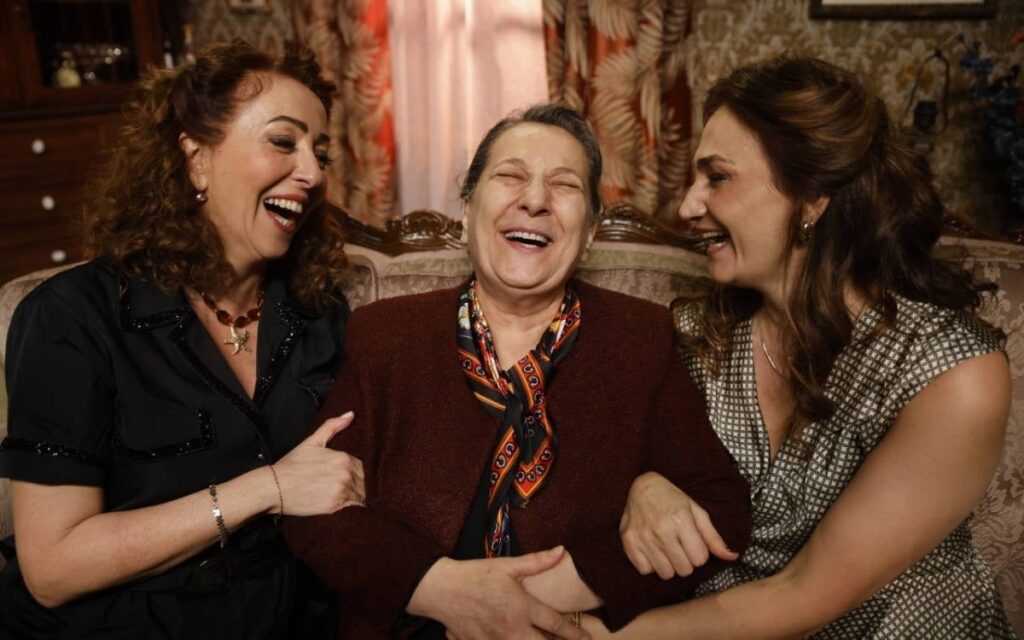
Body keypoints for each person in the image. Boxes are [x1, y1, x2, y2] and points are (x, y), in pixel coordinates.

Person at [583, 56, 1015, 638]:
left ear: (813, 197)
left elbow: (803, 593)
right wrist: (644, 486)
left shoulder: (953, 373)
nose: (687, 206)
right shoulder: (695, 335)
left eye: (717, 177)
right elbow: (599, 464)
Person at [284, 104, 752, 639]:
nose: (534, 200)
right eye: (510, 176)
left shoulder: (641, 336)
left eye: (564, 184)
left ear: (591, 230)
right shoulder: (385, 333)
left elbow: (722, 511)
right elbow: (311, 510)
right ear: (467, 209)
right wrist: (437, 587)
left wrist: (556, 589)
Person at [0, 40, 365, 639]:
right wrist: (266, 488)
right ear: (196, 159)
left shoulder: (320, 312)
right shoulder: (71, 317)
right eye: (284, 141)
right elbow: (53, 567)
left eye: (320, 153)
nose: (314, 173)